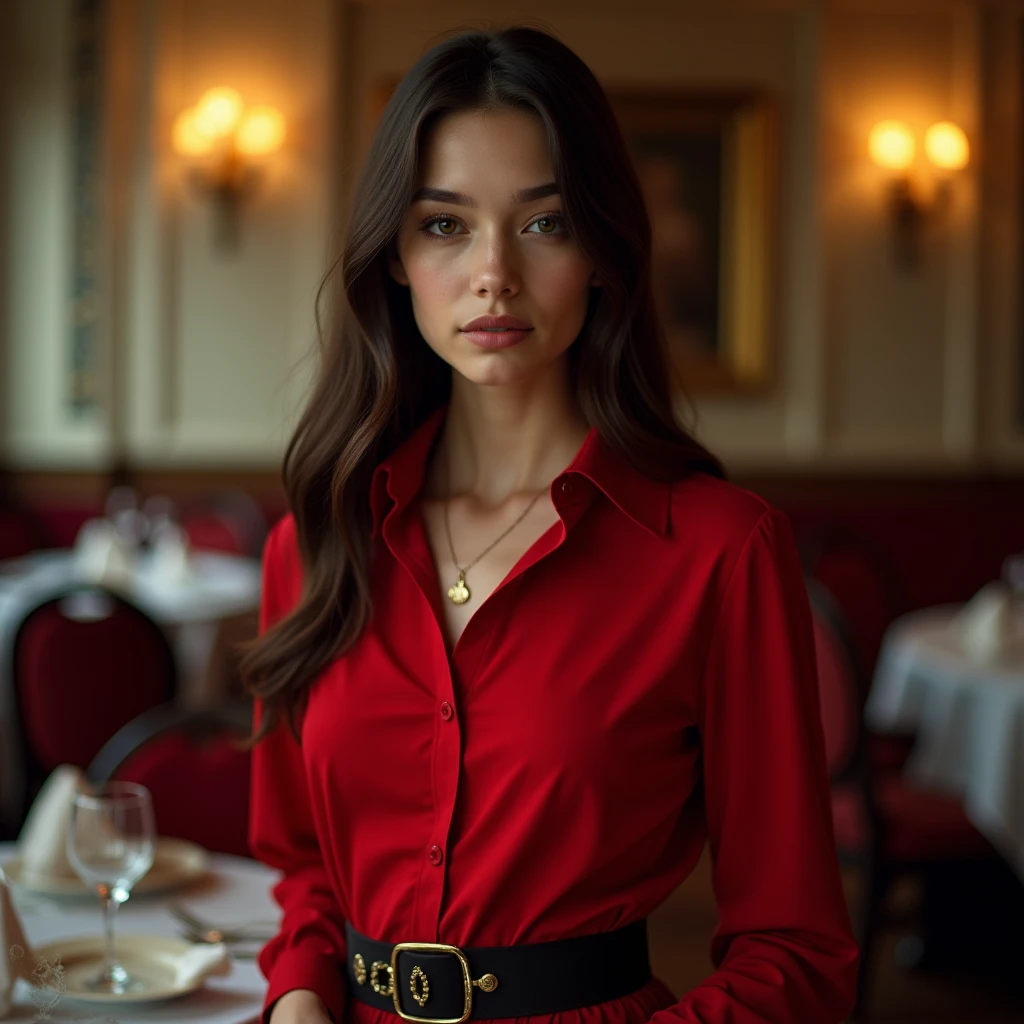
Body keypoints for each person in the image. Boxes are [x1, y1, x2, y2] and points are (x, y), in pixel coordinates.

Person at [242, 25, 859, 1024]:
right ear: (394, 256)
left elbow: (797, 951)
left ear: (605, 251)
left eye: (545, 223)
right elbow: (302, 864)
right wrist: (301, 996)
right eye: (445, 225)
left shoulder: (718, 551)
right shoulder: (313, 547)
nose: (494, 273)